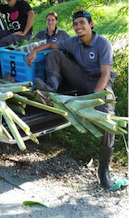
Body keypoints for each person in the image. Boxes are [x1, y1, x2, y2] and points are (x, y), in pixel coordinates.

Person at [26, 10, 116, 190]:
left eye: (82, 23)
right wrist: (34, 50)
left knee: (108, 121)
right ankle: (51, 87)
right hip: (82, 78)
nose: (78, 27)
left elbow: (105, 75)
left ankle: (104, 169)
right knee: (55, 54)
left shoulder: (102, 44)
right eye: (75, 24)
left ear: (91, 24)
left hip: (100, 84)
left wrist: (94, 98)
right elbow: (52, 46)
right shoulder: (73, 41)